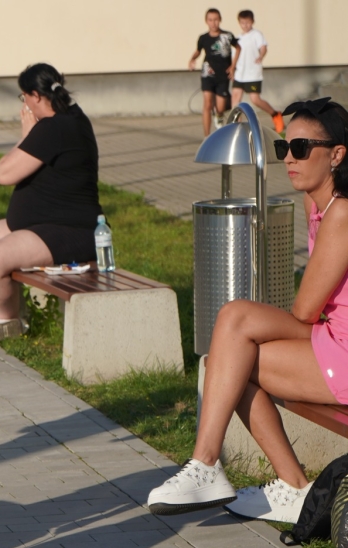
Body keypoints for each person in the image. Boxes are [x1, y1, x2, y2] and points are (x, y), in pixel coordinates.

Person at [146, 98, 348, 523]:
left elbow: (306, 308)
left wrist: (272, 320)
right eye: (283, 149)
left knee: (234, 324)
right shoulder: (319, 204)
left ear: (337, 154)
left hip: (342, 351)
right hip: (332, 338)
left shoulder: (342, 212)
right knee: (233, 352)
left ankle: (207, 464)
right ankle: (290, 486)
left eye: (301, 149)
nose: (288, 160)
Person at [0, 64, 102, 345]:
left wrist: (25, 133)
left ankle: (12, 322)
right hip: (40, 225)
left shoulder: (54, 128)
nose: (24, 104)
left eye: (23, 98)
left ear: (34, 96)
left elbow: (4, 174)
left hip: (67, 231)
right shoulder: (71, 117)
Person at [230, 9, 284, 134]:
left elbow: (263, 47)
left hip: (252, 74)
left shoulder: (256, 35)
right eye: (243, 23)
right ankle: (236, 128)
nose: (245, 25)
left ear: (252, 21)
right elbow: (234, 56)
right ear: (239, 23)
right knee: (235, 101)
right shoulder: (237, 38)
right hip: (239, 74)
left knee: (255, 99)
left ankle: (275, 114)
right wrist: (232, 69)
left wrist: (261, 56)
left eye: (248, 22)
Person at [188, 8, 240, 137]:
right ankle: (206, 137)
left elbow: (238, 48)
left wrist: (233, 66)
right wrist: (192, 59)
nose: (213, 23)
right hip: (208, 73)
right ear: (206, 21)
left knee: (221, 108)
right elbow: (198, 50)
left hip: (223, 75)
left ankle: (219, 115)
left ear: (220, 20)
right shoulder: (203, 38)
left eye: (216, 20)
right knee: (207, 104)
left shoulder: (227, 36)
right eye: (210, 20)